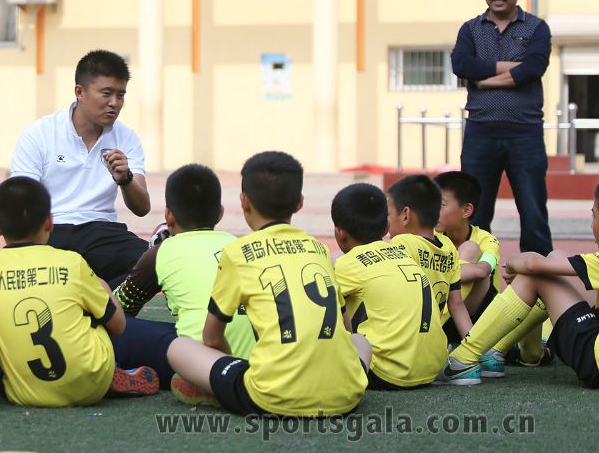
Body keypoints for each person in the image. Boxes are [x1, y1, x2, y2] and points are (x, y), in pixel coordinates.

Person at [167, 151, 370, 417]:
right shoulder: (320, 249)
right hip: (346, 396)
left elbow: (212, 338)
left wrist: (232, 367)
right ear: (299, 203)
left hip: (272, 398)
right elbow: (346, 330)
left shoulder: (237, 253)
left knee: (178, 348)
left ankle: (222, 390)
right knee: (360, 340)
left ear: (244, 201)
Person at [0, 176, 159, 414]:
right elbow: (118, 326)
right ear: (50, 223)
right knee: (86, 308)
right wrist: (101, 285)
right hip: (93, 381)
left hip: (23, 392)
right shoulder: (72, 262)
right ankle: (109, 370)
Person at [10, 50, 150, 288]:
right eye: (106, 93)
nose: (114, 103)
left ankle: (108, 304)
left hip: (102, 231)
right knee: (26, 259)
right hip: (50, 229)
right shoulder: (39, 134)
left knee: (153, 262)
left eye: (121, 95)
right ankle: (101, 302)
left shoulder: (127, 137)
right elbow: (22, 203)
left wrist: (125, 179)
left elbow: (142, 208)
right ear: (79, 92)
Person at [441, 185, 599, 389]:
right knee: (556, 258)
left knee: (534, 275)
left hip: (594, 361)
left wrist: (513, 265)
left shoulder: (485, 239)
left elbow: (527, 265)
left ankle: (464, 358)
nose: (591, 224)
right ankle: (512, 352)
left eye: (594, 215)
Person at [111, 164, 254, 388]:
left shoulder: (162, 252)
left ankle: (112, 369)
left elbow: (119, 310)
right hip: (253, 362)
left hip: (199, 361)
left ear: (168, 215)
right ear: (220, 213)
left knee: (112, 328)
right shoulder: (240, 246)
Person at [452, 0, 553, 256]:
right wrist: (510, 68)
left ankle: (538, 273)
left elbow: (534, 67)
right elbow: (461, 64)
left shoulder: (537, 28)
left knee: (533, 212)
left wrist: (484, 80)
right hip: (480, 133)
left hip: (525, 134)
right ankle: (475, 273)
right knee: (474, 213)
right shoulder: (470, 29)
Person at [331, 183, 447, 390]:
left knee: (332, 297)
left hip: (387, 372)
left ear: (339, 233)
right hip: (432, 367)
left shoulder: (349, 264)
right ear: (386, 227)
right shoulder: (403, 253)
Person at [386, 175, 475, 383]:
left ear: (405, 215)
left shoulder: (401, 244)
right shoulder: (449, 247)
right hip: (436, 351)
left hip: (401, 350)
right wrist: (475, 350)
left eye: (389, 212)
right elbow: (456, 304)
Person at [433, 171, 507, 356]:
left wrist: (437, 272)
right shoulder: (432, 238)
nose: (432, 211)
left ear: (466, 210)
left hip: (478, 317)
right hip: (443, 312)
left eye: (440, 205)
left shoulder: (487, 240)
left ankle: (468, 346)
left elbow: (484, 270)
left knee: (470, 249)